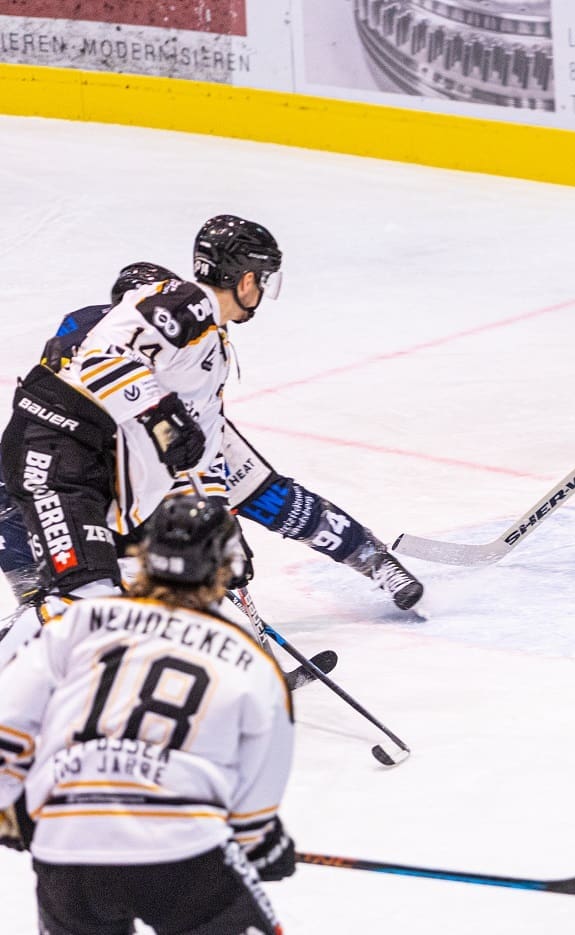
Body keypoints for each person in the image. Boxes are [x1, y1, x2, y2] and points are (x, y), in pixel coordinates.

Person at [0, 257, 425, 614]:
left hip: (180, 430)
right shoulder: (94, 328)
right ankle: (38, 600)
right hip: (110, 448)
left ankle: (372, 558)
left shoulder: (189, 330)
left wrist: (218, 519)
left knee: (268, 497)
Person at [0, 494, 295, 934]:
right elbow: (257, 794)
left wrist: (16, 812)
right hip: (181, 854)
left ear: (144, 555)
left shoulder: (77, 623)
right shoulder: (248, 659)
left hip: (68, 852)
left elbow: (8, 724)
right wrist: (263, 845)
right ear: (222, 567)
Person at [0, 216, 278, 611]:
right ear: (247, 280)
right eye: (264, 280)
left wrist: (218, 525)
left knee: (124, 600)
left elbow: (196, 454)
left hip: (96, 471)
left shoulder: (211, 345)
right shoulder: (185, 302)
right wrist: (159, 413)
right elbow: (100, 360)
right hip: (54, 451)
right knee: (85, 600)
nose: (263, 291)